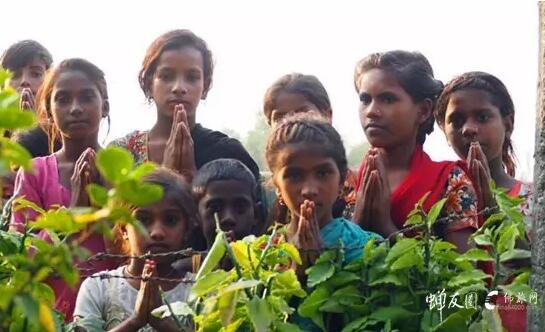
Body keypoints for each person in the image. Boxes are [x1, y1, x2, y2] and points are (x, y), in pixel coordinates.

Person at [352, 50, 479, 252]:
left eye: (387, 99)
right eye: (365, 99)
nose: (371, 111)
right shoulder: (343, 182)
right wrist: (358, 221)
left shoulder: (450, 182)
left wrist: (386, 227)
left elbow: (464, 274)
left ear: (423, 111)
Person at [74, 168, 197, 331]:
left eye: (171, 220)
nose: (157, 232)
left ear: (186, 229)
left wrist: (162, 324)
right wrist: (135, 321)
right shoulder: (98, 287)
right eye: (144, 220)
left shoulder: (199, 290)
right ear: (124, 228)